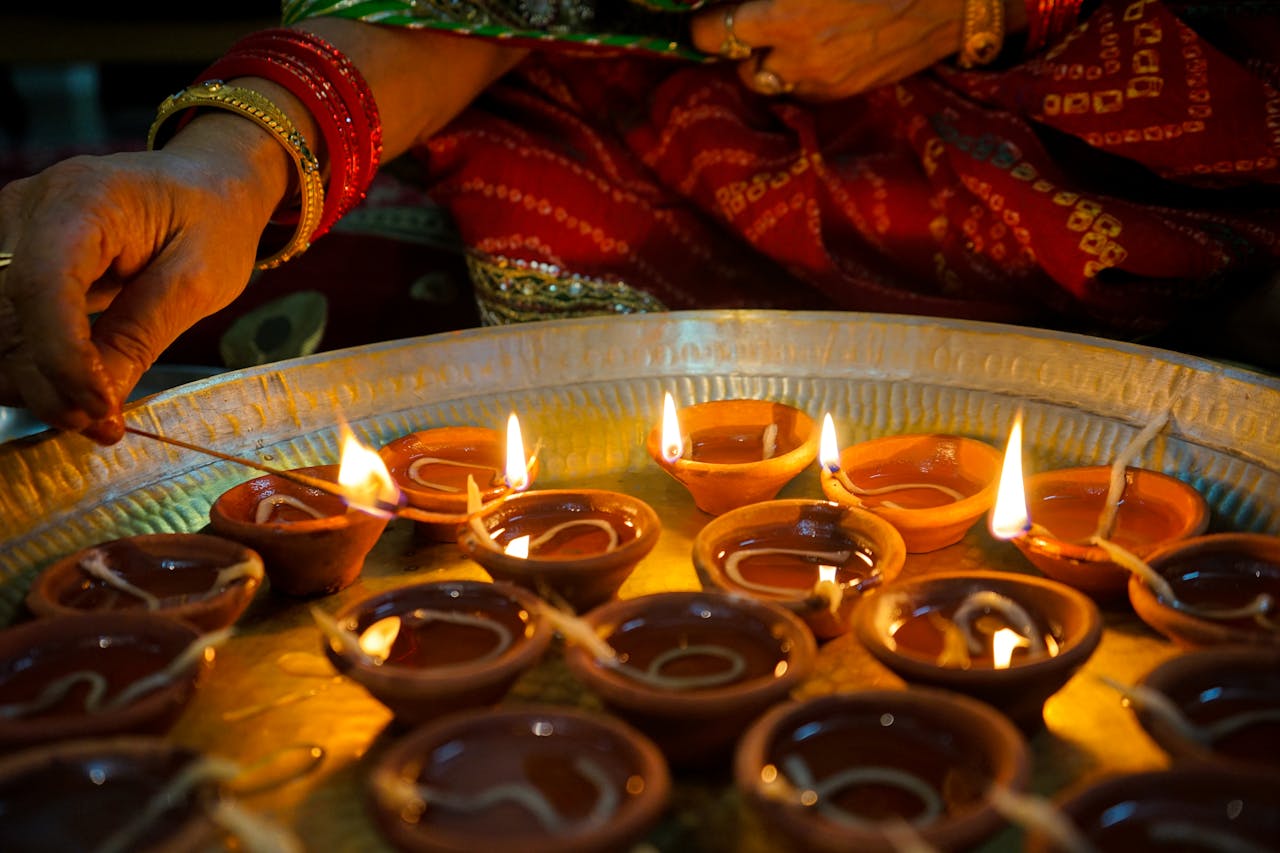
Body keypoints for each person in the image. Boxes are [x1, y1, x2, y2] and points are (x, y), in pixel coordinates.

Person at [0, 0, 1276, 445]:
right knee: (228, 351)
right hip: (635, 159)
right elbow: (481, 4)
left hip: (1149, 206)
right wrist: (238, 163)